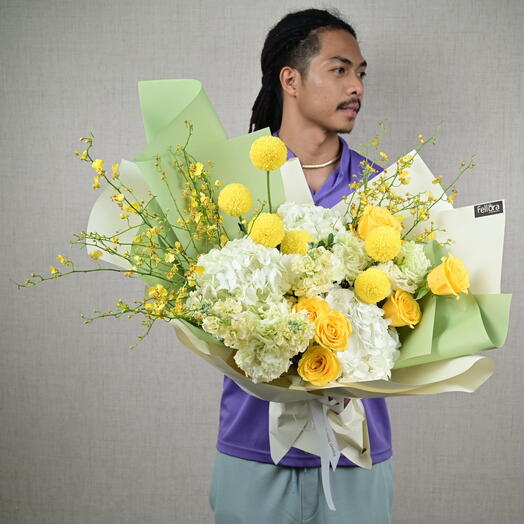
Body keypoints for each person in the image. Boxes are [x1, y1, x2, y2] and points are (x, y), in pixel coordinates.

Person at [209, 8, 394, 524]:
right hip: (252, 446)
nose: (355, 85)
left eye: (360, 72)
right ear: (289, 79)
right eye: (339, 70)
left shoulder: (384, 192)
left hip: (358, 446)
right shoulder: (235, 187)